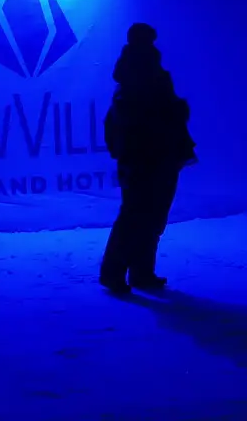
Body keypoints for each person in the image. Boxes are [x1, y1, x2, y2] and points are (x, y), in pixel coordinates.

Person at [100, 23, 196, 294]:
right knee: (142, 214)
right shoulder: (148, 76)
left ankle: (132, 272)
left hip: (144, 156)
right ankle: (124, 272)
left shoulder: (131, 77)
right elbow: (157, 117)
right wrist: (177, 114)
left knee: (141, 214)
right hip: (152, 156)